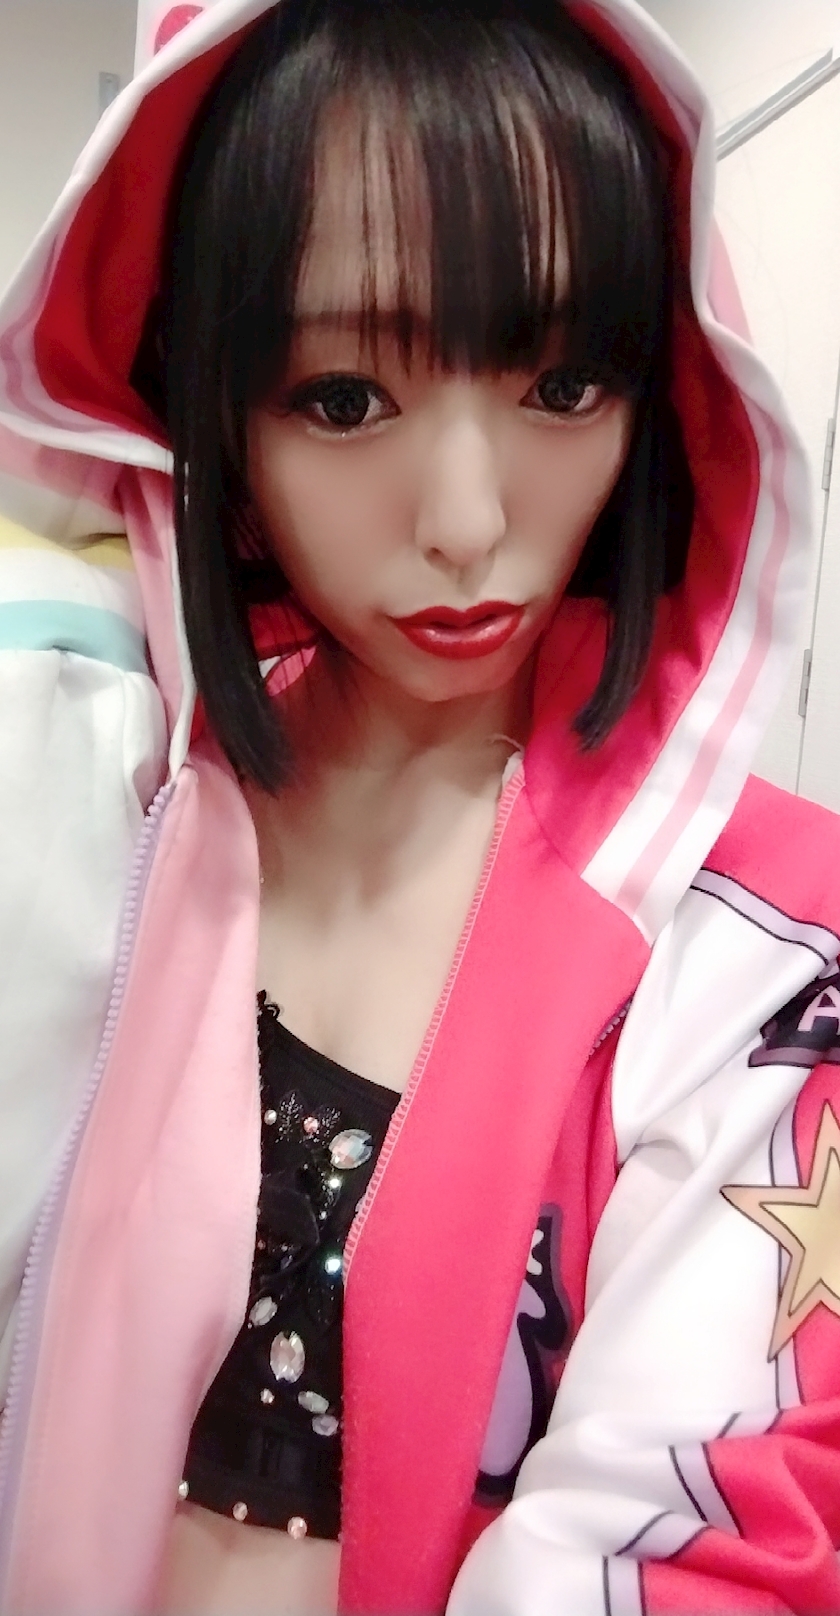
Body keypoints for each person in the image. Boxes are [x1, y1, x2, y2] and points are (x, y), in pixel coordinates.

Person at [0, 0, 838, 1612]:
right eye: (342, 398)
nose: (466, 520)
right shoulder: (104, 796)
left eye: (564, 384)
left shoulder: (769, 952)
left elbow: (719, 1538)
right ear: (212, 409)